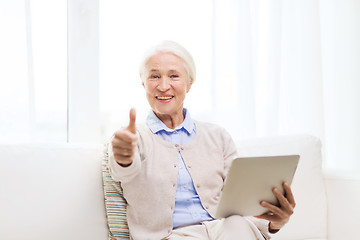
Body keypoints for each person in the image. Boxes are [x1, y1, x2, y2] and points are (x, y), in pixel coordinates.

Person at [108, 41, 295, 240]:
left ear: (189, 83)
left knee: (236, 224)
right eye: (154, 76)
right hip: (172, 236)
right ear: (143, 82)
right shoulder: (132, 138)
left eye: (174, 76)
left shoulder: (218, 136)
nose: (163, 86)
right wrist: (124, 156)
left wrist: (273, 222)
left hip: (225, 231)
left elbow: (240, 202)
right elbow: (123, 170)